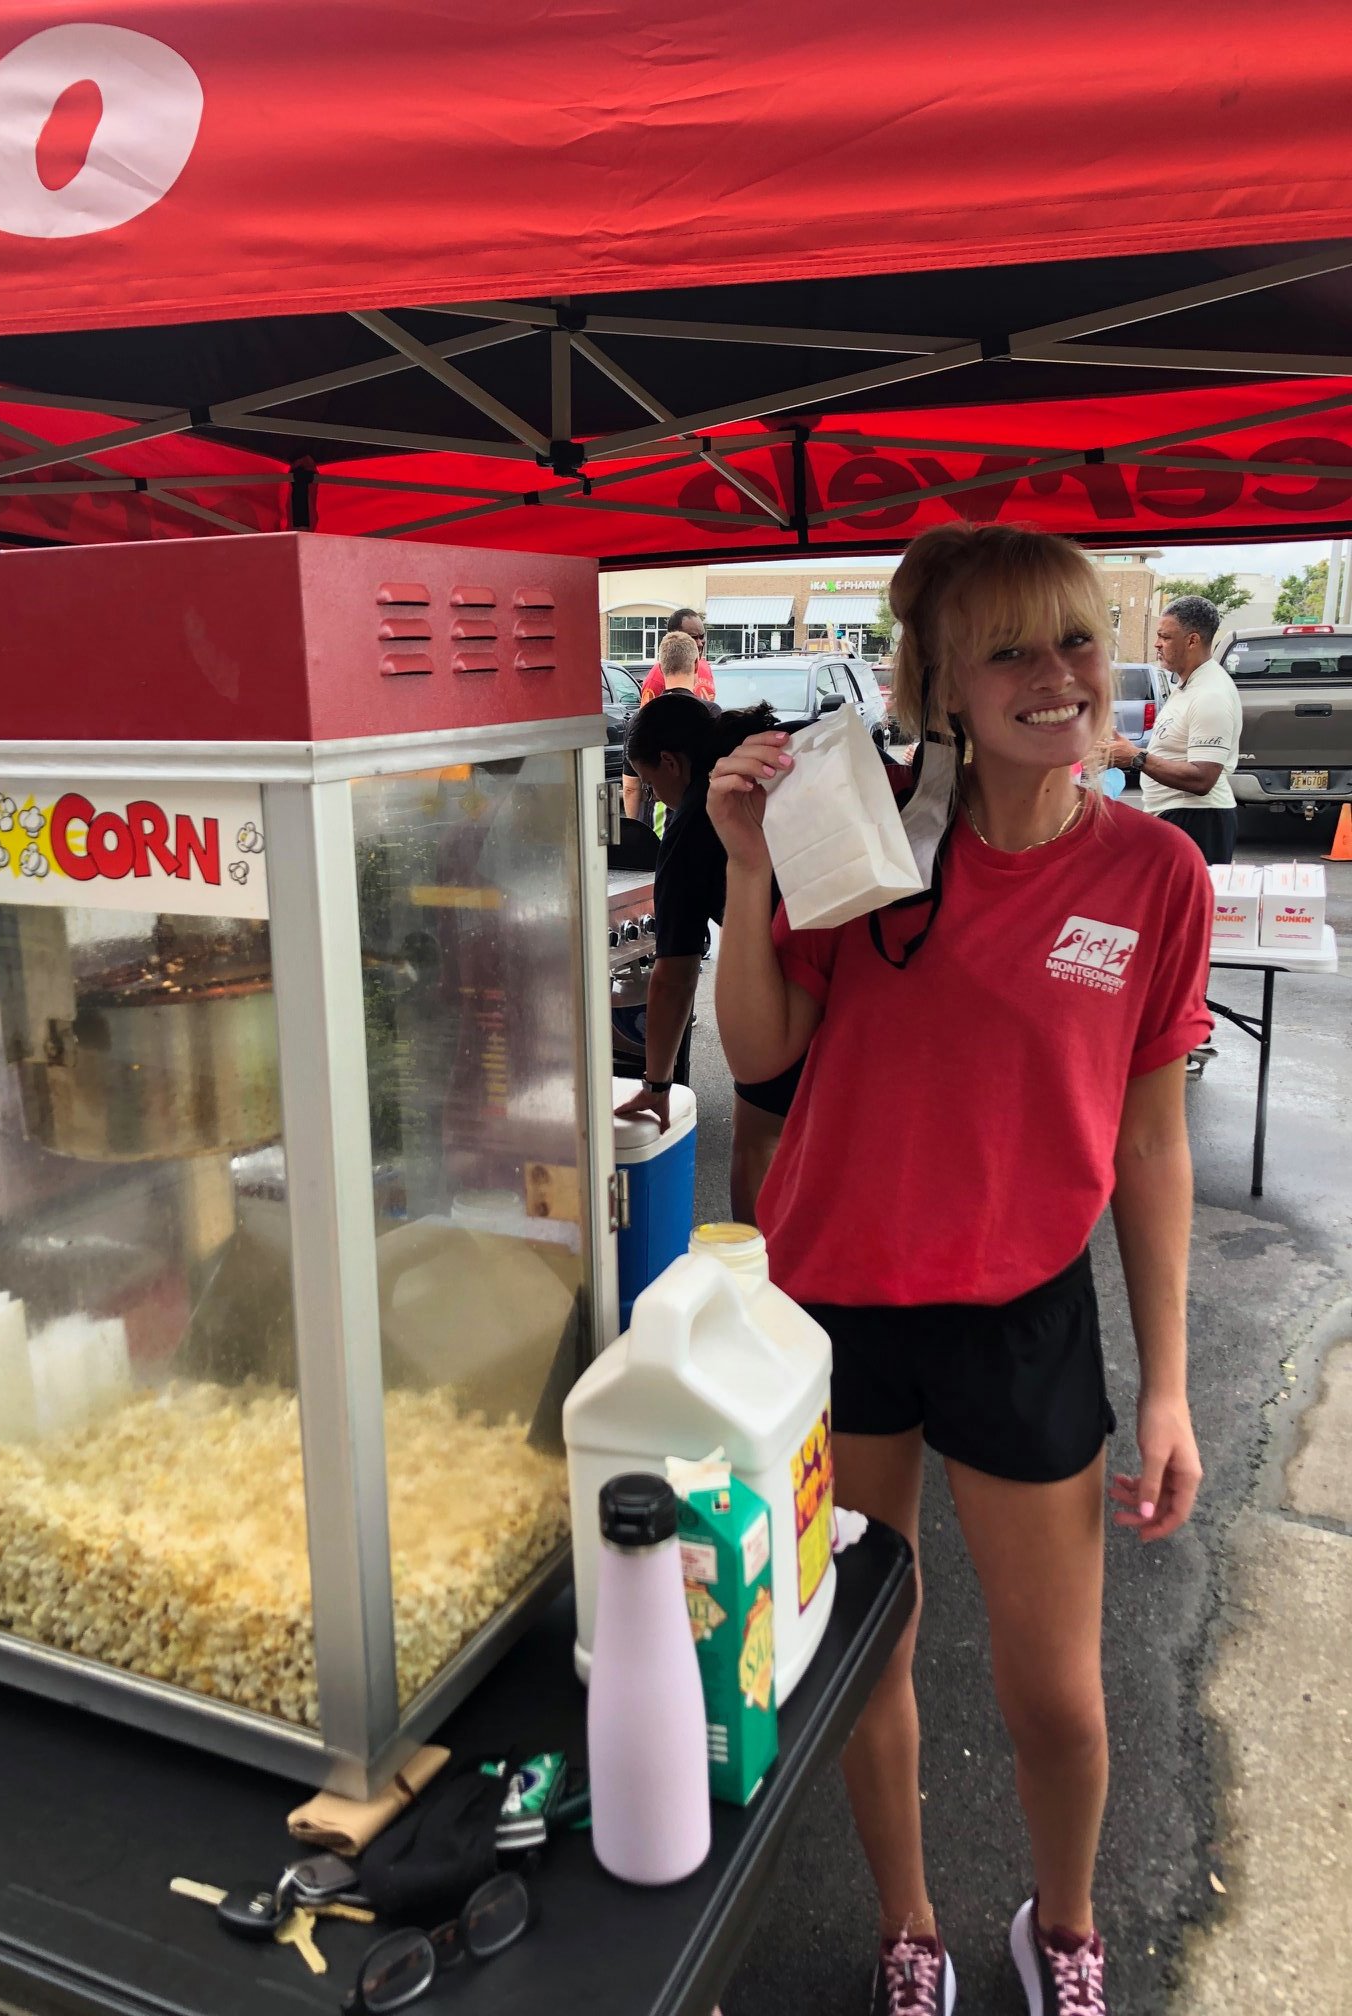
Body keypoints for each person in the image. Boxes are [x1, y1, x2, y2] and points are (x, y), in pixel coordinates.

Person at [708, 523, 1211, 2016]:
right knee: (869, 1663)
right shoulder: (861, 840)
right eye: (1008, 650)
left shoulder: (1155, 873)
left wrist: (1169, 1386)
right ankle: (909, 1926)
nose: (1057, 675)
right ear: (942, 685)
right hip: (840, 1306)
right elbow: (760, 1057)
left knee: (1057, 1695)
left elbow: (1152, 1145)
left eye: (1076, 638)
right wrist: (748, 871)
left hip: (1022, 1317)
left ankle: (1065, 1928)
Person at [617, 692, 802, 1224]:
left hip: (791, 985)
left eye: (651, 782)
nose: (656, 795)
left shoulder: (694, 822)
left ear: (671, 762)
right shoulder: (782, 751)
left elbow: (673, 977)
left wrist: (657, 1085)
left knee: (759, 1141)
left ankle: (756, 1264)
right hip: (879, 963)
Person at [1108, 593, 1242, 865]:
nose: (1157, 644)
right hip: (1177, 814)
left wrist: (1136, 757)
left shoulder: (1210, 694)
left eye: (1165, 637)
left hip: (1198, 818)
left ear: (1192, 640)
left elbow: (1203, 778)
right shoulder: (1188, 685)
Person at [622, 610, 716, 822]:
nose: (699, 643)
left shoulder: (707, 673)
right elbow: (645, 746)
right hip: (666, 812)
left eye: (702, 637)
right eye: (693, 637)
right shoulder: (654, 686)